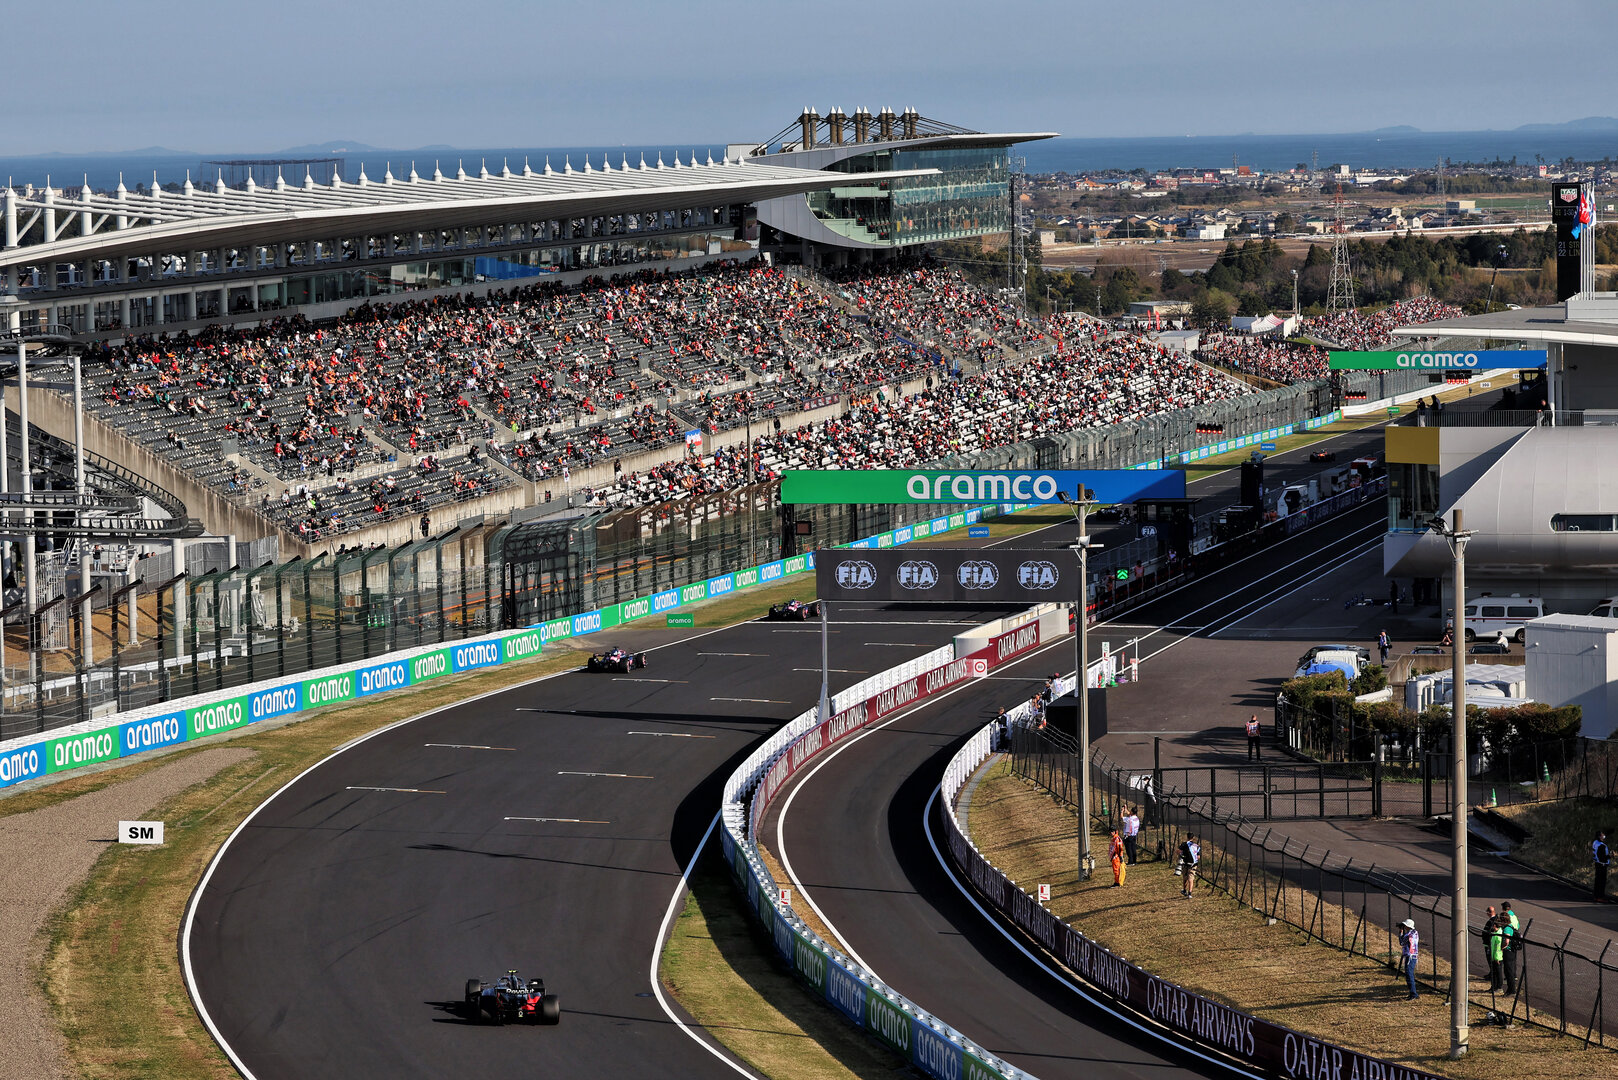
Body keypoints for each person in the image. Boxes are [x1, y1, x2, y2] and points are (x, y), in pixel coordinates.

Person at [1500, 900, 1520, 995]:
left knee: (1508, 969)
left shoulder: (1507, 926)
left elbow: (1506, 940)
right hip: (1513, 945)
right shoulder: (1514, 916)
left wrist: (1502, 947)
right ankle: (1512, 984)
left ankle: (1511, 989)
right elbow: (1518, 926)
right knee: (1511, 967)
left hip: (1509, 948)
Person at [1398, 918, 1420, 1000]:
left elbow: (1401, 943)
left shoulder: (1408, 935)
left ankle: (1413, 994)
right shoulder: (1415, 933)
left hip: (1409, 956)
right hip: (1414, 955)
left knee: (1409, 975)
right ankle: (1413, 993)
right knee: (1410, 974)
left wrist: (1400, 933)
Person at [1484, 906, 1505, 992]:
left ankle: (1498, 987)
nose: (1492, 929)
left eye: (1494, 927)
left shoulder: (1498, 934)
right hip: (1494, 956)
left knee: (1497, 971)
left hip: (1497, 957)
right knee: (1494, 971)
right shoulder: (1495, 933)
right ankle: (1494, 986)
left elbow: (1498, 947)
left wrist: (1496, 958)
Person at [1594, 832, 1610, 900]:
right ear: (1599, 837)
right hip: (1602, 865)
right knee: (1601, 882)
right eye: (1602, 836)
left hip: (1597, 863)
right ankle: (1600, 897)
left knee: (1597, 881)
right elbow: (1602, 858)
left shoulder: (1595, 842)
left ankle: (1596, 896)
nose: (1604, 837)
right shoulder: (1602, 846)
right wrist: (1610, 856)